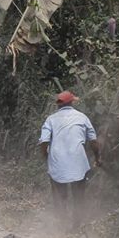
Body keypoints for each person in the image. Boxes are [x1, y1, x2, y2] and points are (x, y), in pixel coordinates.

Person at [39, 90, 101, 221]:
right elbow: (93, 141)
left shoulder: (50, 119)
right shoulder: (82, 117)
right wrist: (97, 158)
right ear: (72, 102)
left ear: (58, 105)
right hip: (78, 162)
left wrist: (46, 157)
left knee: (60, 196)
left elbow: (44, 142)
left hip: (57, 162)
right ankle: (76, 226)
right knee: (79, 196)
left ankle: (61, 225)